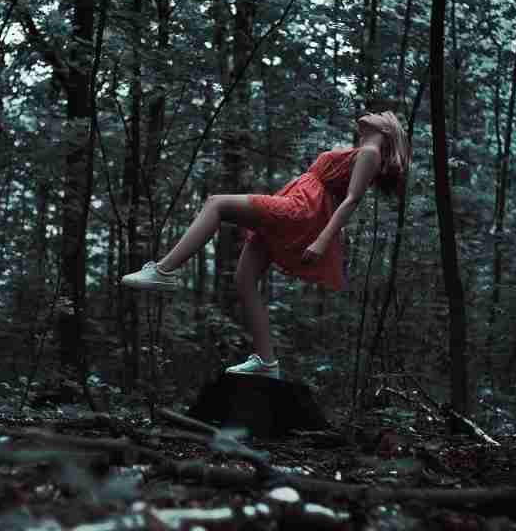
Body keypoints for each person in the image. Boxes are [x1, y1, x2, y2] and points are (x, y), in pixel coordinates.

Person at [120, 112, 412, 379]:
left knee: (217, 204)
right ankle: (266, 363)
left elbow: (352, 200)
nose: (369, 113)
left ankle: (164, 271)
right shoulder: (364, 150)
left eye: (378, 114)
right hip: (300, 202)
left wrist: (322, 241)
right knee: (245, 279)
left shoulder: (371, 152)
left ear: (387, 128)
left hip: (302, 209)